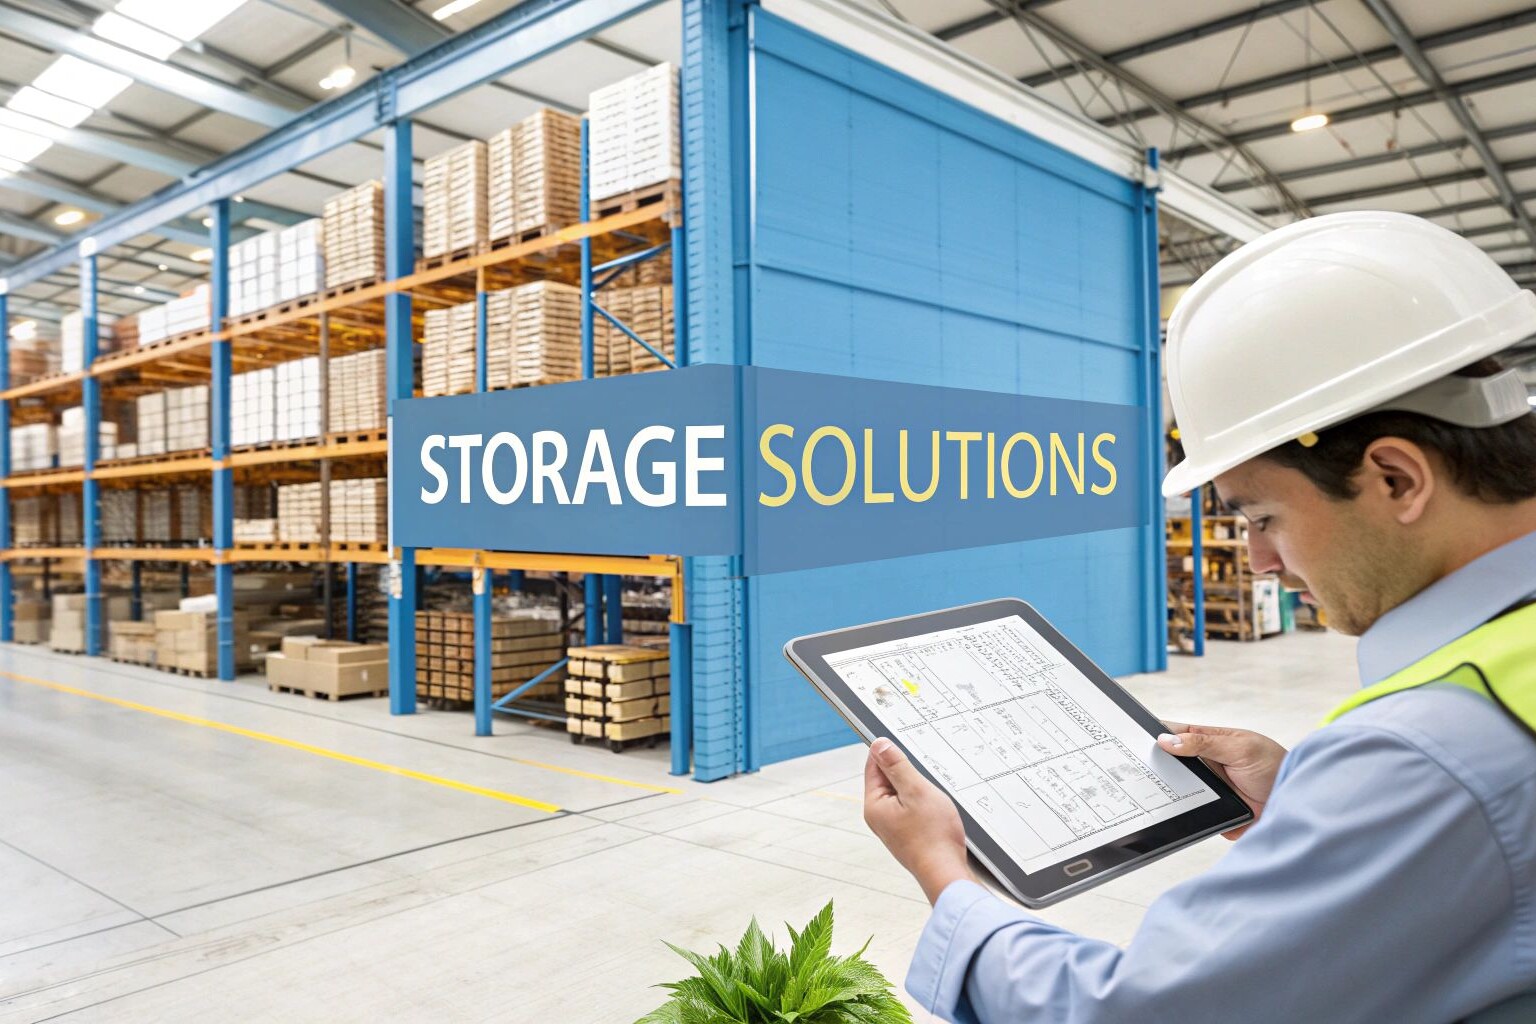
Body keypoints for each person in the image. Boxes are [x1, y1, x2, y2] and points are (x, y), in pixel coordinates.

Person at [862, 211, 1536, 1023]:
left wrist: (944, 873)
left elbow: (1134, 1013)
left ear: (1396, 478)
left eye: (1262, 518)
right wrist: (1303, 799)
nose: (1259, 562)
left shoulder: (1425, 754)